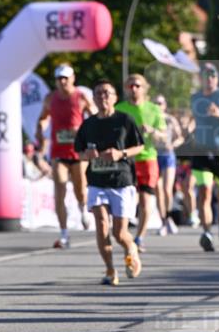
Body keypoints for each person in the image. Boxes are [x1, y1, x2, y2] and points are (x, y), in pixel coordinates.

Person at [74, 80, 144, 284]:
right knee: (101, 223)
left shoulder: (125, 120)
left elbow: (139, 146)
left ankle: (131, 248)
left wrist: (120, 153)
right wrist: (87, 154)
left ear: (114, 97)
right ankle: (110, 270)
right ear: (93, 99)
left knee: (119, 233)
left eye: (106, 93)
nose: (102, 96)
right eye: (98, 93)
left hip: (122, 181)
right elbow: (79, 154)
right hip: (97, 182)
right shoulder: (88, 124)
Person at [36, 64, 94, 248]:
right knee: (59, 188)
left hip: (78, 151)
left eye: (65, 78)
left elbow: (94, 117)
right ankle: (64, 234)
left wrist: (88, 132)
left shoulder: (81, 97)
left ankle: (83, 207)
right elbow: (43, 117)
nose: (62, 81)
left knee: (80, 189)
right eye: (59, 78)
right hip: (58, 152)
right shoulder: (50, 98)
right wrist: (41, 128)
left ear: (73, 78)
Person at [115, 74, 167, 252]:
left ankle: (139, 237)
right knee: (127, 200)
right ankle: (124, 233)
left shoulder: (153, 109)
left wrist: (152, 131)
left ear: (145, 88)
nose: (134, 89)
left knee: (145, 200)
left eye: (137, 86)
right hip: (125, 159)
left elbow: (164, 136)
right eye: (130, 86)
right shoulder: (119, 109)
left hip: (147, 158)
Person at [189, 63, 219, 251]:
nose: (209, 78)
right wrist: (187, 127)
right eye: (205, 75)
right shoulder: (195, 98)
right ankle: (206, 232)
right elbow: (191, 118)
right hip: (201, 149)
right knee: (205, 191)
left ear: (217, 77)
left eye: (212, 74)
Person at [153, 94, 183, 236]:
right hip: (154, 155)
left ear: (164, 105)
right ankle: (163, 220)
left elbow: (180, 137)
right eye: (155, 103)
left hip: (168, 155)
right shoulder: (151, 119)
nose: (158, 106)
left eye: (160, 103)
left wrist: (173, 145)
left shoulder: (170, 119)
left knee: (166, 189)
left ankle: (169, 217)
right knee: (158, 190)